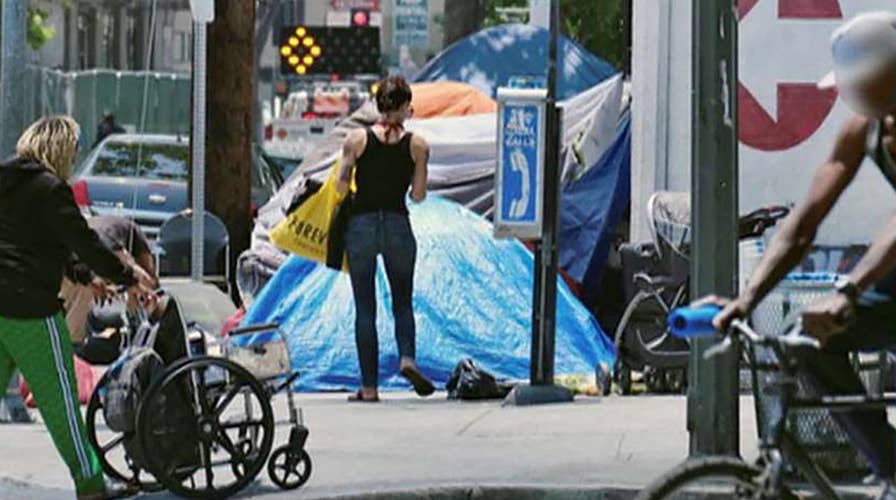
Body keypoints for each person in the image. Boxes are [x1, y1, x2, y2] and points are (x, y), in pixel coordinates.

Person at [703, 12, 896, 498]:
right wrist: (747, 299)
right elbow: (801, 225)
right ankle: (892, 465)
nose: (859, 95)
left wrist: (848, 290)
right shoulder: (863, 131)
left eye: (866, 82)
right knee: (805, 339)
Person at [0, 116, 155, 500]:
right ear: (62, 150)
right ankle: (90, 483)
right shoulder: (52, 189)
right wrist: (127, 277)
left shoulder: (4, 180)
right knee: (61, 402)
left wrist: (85, 277)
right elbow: (84, 242)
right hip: (29, 309)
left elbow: (39, 243)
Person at [335, 75, 434, 402]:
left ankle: (369, 387)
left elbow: (339, 187)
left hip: (361, 225)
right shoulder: (418, 145)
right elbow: (418, 195)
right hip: (397, 224)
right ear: (406, 107)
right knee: (402, 300)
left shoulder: (356, 139)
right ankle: (407, 358)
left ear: (378, 104)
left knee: (366, 307)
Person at [63, 215, 158, 344]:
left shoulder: (107, 223)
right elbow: (147, 272)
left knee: (74, 299)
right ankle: (143, 328)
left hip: (73, 251)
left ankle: (72, 344)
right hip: (107, 247)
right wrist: (147, 288)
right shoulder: (135, 233)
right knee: (141, 283)